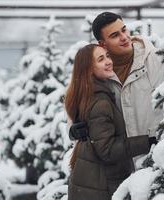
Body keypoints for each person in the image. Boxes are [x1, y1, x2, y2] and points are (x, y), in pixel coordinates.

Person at [65, 44, 156, 200]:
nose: (108, 61)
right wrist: (147, 142)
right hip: (101, 185)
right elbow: (107, 150)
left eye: (107, 56)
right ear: (88, 68)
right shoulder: (100, 101)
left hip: (90, 179)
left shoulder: (86, 94)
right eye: (101, 59)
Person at [91, 12, 164, 139]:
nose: (124, 37)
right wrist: (74, 127)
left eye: (124, 30)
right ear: (103, 44)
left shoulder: (156, 60)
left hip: (158, 150)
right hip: (121, 155)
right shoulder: (99, 73)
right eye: (115, 35)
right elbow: (80, 104)